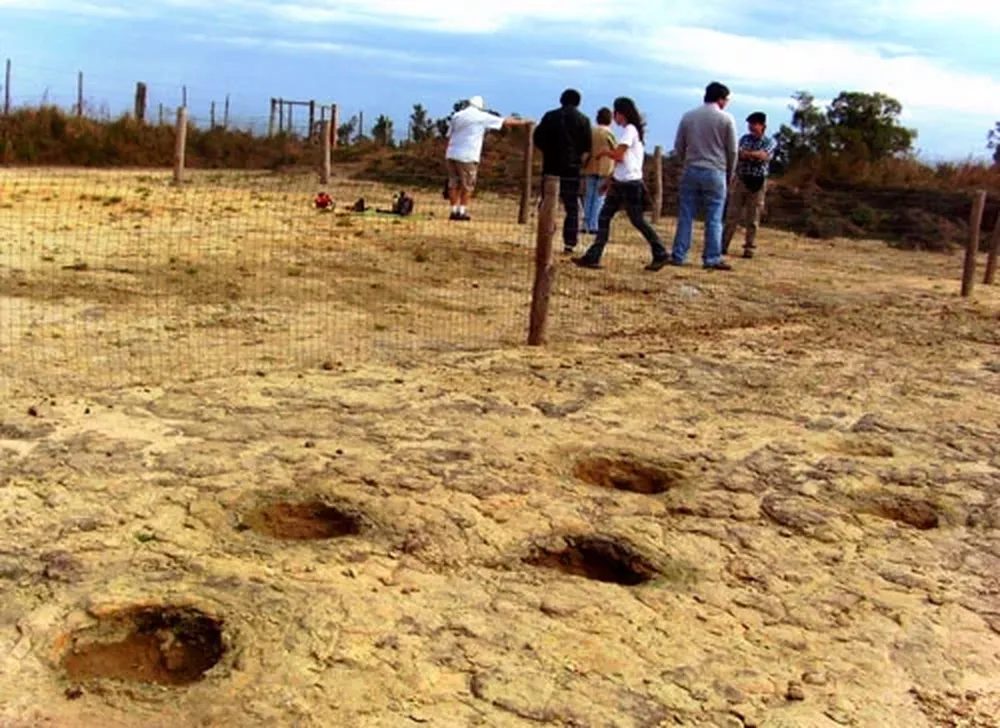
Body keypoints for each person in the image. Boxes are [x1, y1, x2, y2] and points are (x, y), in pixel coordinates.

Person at [573, 97, 670, 271]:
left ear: (620, 114)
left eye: (615, 114)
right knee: (606, 217)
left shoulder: (629, 131)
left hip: (628, 184)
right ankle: (593, 255)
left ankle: (660, 251)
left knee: (635, 220)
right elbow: (623, 161)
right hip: (622, 182)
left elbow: (618, 156)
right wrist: (610, 180)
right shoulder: (632, 131)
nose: (614, 118)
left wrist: (604, 152)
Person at [669, 81, 739, 271]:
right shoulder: (726, 119)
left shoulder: (688, 116)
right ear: (720, 99)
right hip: (716, 170)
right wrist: (730, 173)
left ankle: (679, 254)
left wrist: (686, 162)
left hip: (691, 168)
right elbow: (732, 150)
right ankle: (712, 257)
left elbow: (679, 146)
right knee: (714, 217)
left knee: (686, 215)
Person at [445, 95, 531, 221]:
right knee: (468, 184)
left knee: (453, 183)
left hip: (452, 153)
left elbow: (449, 134)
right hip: (468, 155)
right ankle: (462, 211)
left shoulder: (457, 116)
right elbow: (504, 121)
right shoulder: (481, 116)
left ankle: (453, 210)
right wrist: (524, 122)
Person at [532, 89, 593, 254]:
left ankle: (545, 237)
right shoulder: (584, 120)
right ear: (578, 102)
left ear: (561, 100)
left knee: (547, 204)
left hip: (551, 166)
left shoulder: (550, 116)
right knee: (572, 206)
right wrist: (579, 161)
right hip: (572, 169)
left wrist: (548, 151)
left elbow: (537, 138)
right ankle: (570, 243)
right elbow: (588, 146)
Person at [722, 111, 778, 259]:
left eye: (754, 124)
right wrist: (752, 155)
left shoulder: (769, 141)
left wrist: (748, 155)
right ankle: (723, 245)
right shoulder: (744, 139)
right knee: (732, 215)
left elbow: (763, 156)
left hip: (758, 181)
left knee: (753, 217)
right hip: (741, 179)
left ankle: (749, 248)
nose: (751, 127)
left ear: (762, 126)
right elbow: (738, 154)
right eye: (750, 124)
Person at [581, 107, 617, 235]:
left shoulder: (591, 131)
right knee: (599, 198)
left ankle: (585, 224)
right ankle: (594, 225)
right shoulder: (609, 133)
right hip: (605, 168)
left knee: (588, 197)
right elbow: (615, 150)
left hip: (590, 166)